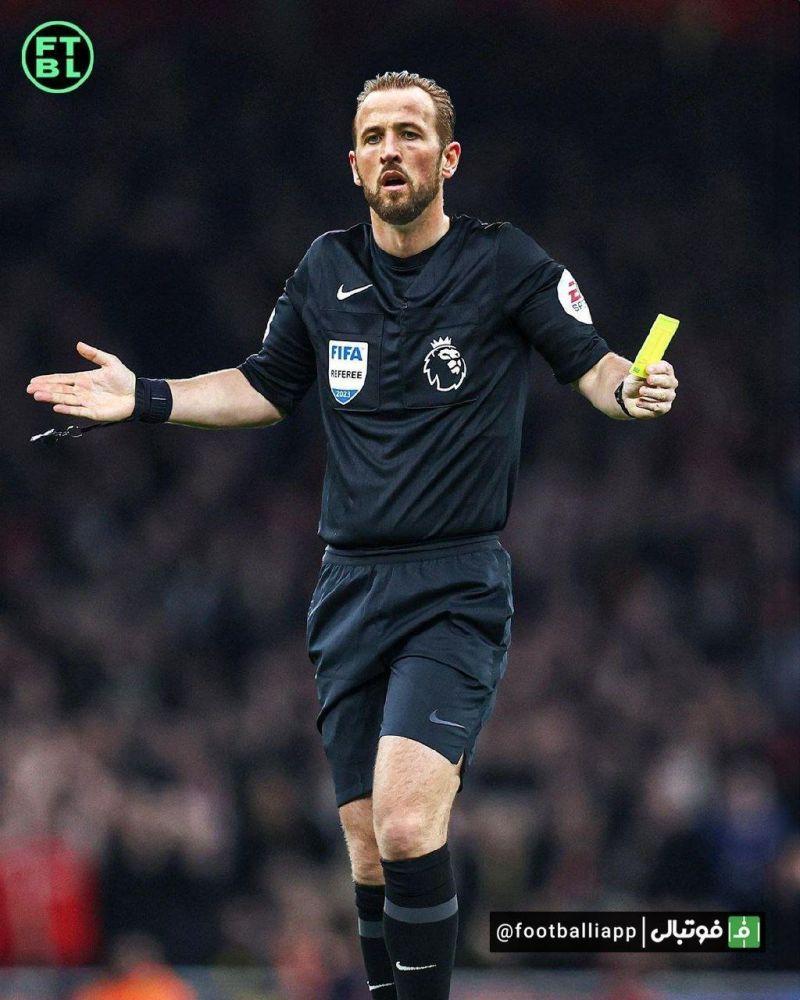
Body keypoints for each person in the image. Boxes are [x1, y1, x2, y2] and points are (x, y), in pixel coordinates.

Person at [28, 71, 678, 1000]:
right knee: (371, 850)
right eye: (374, 136)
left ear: (448, 158)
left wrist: (634, 388)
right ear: (354, 163)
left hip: (454, 583)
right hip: (349, 589)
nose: (390, 150)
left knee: (410, 826)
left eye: (410, 133)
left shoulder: (504, 262)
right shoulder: (325, 271)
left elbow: (596, 364)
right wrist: (148, 397)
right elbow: (264, 386)